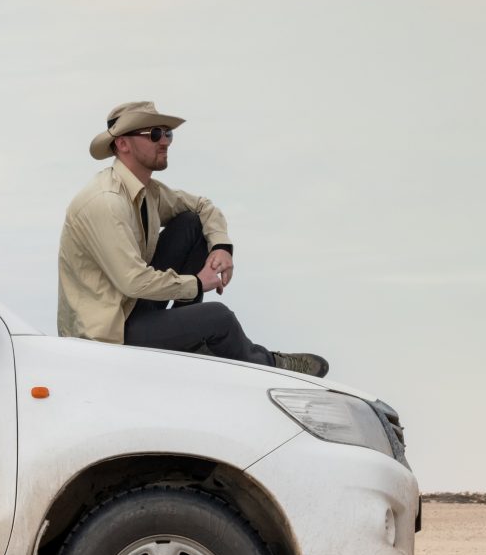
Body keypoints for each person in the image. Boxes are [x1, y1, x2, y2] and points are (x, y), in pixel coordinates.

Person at [55, 100, 328, 376]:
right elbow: (133, 281)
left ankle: (190, 344)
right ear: (123, 144)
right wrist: (196, 284)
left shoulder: (147, 192)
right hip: (106, 335)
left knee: (191, 224)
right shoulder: (107, 202)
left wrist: (221, 247)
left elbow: (201, 207)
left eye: (168, 133)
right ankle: (269, 365)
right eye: (155, 135)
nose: (165, 142)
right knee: (219, 318)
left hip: (129, 310)